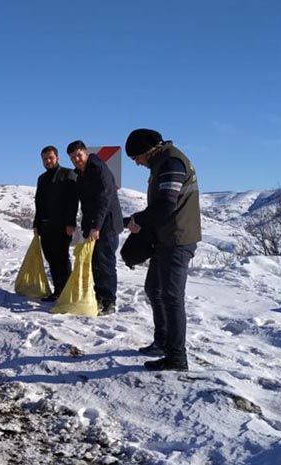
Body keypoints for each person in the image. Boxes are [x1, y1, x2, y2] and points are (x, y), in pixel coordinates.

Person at [125, 128, 201, 372]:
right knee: (153, 289)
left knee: (170, 297)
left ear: (148, 151)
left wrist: (137, 220)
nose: (137, 163)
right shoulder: (162, 161)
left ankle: (176, 357)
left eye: (136, 157)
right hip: (166, 238)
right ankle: (162, 342)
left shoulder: (171, 163)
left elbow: (166, 205)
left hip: (178, 239)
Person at [66, 140, 123, 315]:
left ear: (85, 153)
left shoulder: (98, 168)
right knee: (96, 263)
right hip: (95, 226)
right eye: (73, 157)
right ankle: (100, 298)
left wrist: (96, 226)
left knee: (105, 263)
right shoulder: (81, 173)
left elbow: (104, 198)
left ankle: (109, 301)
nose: (77, 159)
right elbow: (86, 203)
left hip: (107, 225)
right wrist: (86, 226)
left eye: (79, 155)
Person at [33, 145, 78, 302]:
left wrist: (71, 223)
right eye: (45, 159)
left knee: (61, 258)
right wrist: (36, 223)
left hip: (62, 225)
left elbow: (73, 202)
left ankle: (67, 291)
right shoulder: (42, 178)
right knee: (51, 258)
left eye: (50, 158)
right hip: (45, 226)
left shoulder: (68, 174)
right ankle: (58, 290)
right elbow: (38, 202)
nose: (48, 161)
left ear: (57, 158)